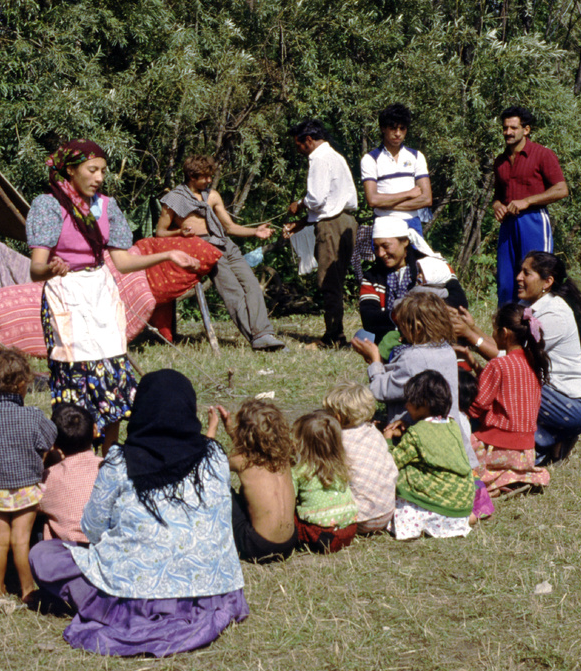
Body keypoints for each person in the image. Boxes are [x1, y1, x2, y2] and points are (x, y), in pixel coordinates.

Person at [28, 369, 248, 657]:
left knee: (43, 555)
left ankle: (106, 607)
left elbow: (93, 528)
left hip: (133, 594)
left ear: (141, 409)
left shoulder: (120, 461)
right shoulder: (215, 456)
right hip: (212, 592)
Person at [27, 139, 199, 448]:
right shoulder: (49, 205)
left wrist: (168, 255)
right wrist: (52, 267)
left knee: (112, 371)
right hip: (65, 294)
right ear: (70, 170)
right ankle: (76, 454)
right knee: (74, 371)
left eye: (103, 171)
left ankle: (110, 454)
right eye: (92, 170)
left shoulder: (107, 207)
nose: (99, 178)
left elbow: (122, 261)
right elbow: (35, 269)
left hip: (100, 292)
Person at [453, 251, 581, 464]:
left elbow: (513, 363)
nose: (519, 277)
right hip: (554, 397)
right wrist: (472, 330)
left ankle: (540, 442)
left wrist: (471, 335)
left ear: (547, 281)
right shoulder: (531, 307)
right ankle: (548, 442)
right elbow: (506, 343)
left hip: (568, 404)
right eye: (520, 271)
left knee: (503, 386)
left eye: (527, 273)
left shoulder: (554, 315)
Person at [157, 155, 284, 351]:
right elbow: (160, 232)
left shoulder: (212, 196)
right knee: (233, 292)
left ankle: (264, 333)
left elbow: (230, 227)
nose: (209, 181)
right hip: (204, 248)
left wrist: (255, 231)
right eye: (205, 177)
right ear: (192, 176)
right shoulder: (174, 199)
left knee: (251, 285)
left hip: (225, 243)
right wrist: (179, 232)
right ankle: (257, 339)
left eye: (210, 176)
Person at [351, 291, 478, 472]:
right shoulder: (447, 351)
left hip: (419, 437)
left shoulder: (413, 357)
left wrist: (375, 361)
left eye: (402, 325)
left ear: (416, 328)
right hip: (449, 434)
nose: (400, 330)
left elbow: (379, 390)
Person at [0, 348, 58, 599]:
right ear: (22, 385)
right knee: (21, 540)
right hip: (26, 486)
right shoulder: (32, 415)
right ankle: (27, 589)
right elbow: (50, 436)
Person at [283, 119, 359, 348]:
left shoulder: (318, 158)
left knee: (329, 282)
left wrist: (299, 203)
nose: (299, 151)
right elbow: (330, 202)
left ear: (308, 140)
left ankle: (333, 337)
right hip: (345, 222)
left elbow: (317, 199)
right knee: (336, 279)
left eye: (299, 145)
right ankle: (334, 333)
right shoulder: (336, 156)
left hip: (332, 225)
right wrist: (302, 223)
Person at [465, 304, 552, 496]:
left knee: (462, 457)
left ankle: (492, 487)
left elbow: (478, 406)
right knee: (503, 465)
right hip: (527, 452)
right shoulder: (533, 364)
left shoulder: (498, 365)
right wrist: (474, 363)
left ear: (504, 333)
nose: (493, 334)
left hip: (496, 446)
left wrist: (460, 415)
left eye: (494, 330)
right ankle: (516, 477)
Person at [383, 370, 476, 540]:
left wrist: (387, 441)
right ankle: (458, 518)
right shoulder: (452, 426)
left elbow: (390, 464)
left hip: (433, 509)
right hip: (461, 506)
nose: (405, 406)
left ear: (423, 403)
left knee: (404, 472)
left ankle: (424, 519)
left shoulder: (416, 434)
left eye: (409, 401)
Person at [358, 215, 468, 358]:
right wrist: (409, 316)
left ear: (405, 242)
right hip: (394, 335)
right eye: (377, 247)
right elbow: (369, 317)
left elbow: (459, 301)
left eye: (386, 246)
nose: (380, 253)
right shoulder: (372, 276)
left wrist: (414, 316)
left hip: (431, 332)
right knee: (361, 336)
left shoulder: (432, 266)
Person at [492, 106, 569, 307]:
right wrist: (497, 205)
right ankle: (509, 331)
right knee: (507, 283)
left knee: (537, 277)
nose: (508, 132)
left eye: (513, 128)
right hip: (508, 225)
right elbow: (497, 197)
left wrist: (527, 201)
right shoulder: (500, 161)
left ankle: (541, 328)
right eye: (505, 128)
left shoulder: (542, 154)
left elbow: (561, 189)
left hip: (534, 220)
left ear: (526, 130)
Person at [206, 399, 297, 563]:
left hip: (256, 547)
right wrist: (231, 431)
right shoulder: (283, 458)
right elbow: (256, 449)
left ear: (245, 434)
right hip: (289, 544)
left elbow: (206, 465)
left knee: (220, 486)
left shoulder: (242, 461)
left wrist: (212, 427)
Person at [321, 382, 397, 535]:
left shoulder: (337, 440)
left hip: (361, 519)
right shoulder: (373, 431)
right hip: (387, 510)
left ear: (337, 418)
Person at [290, 411, 359, 553]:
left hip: (321, 535)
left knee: (289, 517)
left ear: (303, 444)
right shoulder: (341, 465)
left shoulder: (300, 471)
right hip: (349, 530)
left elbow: (289, 500)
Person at [360, 103, 432, 235]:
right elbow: (372, 200)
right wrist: (408, 194)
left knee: (417, 256)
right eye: (393, 128)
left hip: (412, 223)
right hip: (384, 223)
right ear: (383, 128)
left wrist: (386, 204)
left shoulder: (416, 156)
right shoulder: (370, 159)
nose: (398, 133)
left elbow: (426, 199)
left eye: (402, 128)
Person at [38, 403, 102, 544]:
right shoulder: (109, 469)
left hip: (68, 551)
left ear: (53, 442)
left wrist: (45, 460)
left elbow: (35, 505)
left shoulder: (50, 477)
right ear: (95, 430)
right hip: (106, 547)